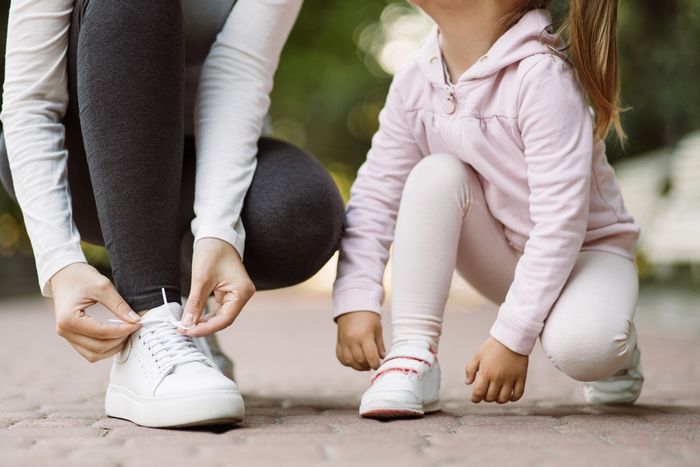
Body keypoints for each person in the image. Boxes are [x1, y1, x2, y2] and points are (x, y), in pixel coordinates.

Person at [0, 0, 345, 427]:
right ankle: (151, 319)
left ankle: (186, 326)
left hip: (198, 160)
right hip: (88, 168)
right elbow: (30, 102)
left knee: (299, 214)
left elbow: (237, 72)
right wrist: (59, 262)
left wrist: (218, 231)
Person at [332, 0, 643, 418]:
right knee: (436, 174)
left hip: (589, 255)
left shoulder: (541, 76)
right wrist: (355, 296)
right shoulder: (416, 78)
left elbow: (561, 224)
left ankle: (618, 345)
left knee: (585, 349)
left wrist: (512, 338)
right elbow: (376, 195)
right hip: (506, 255)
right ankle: (412, 353)